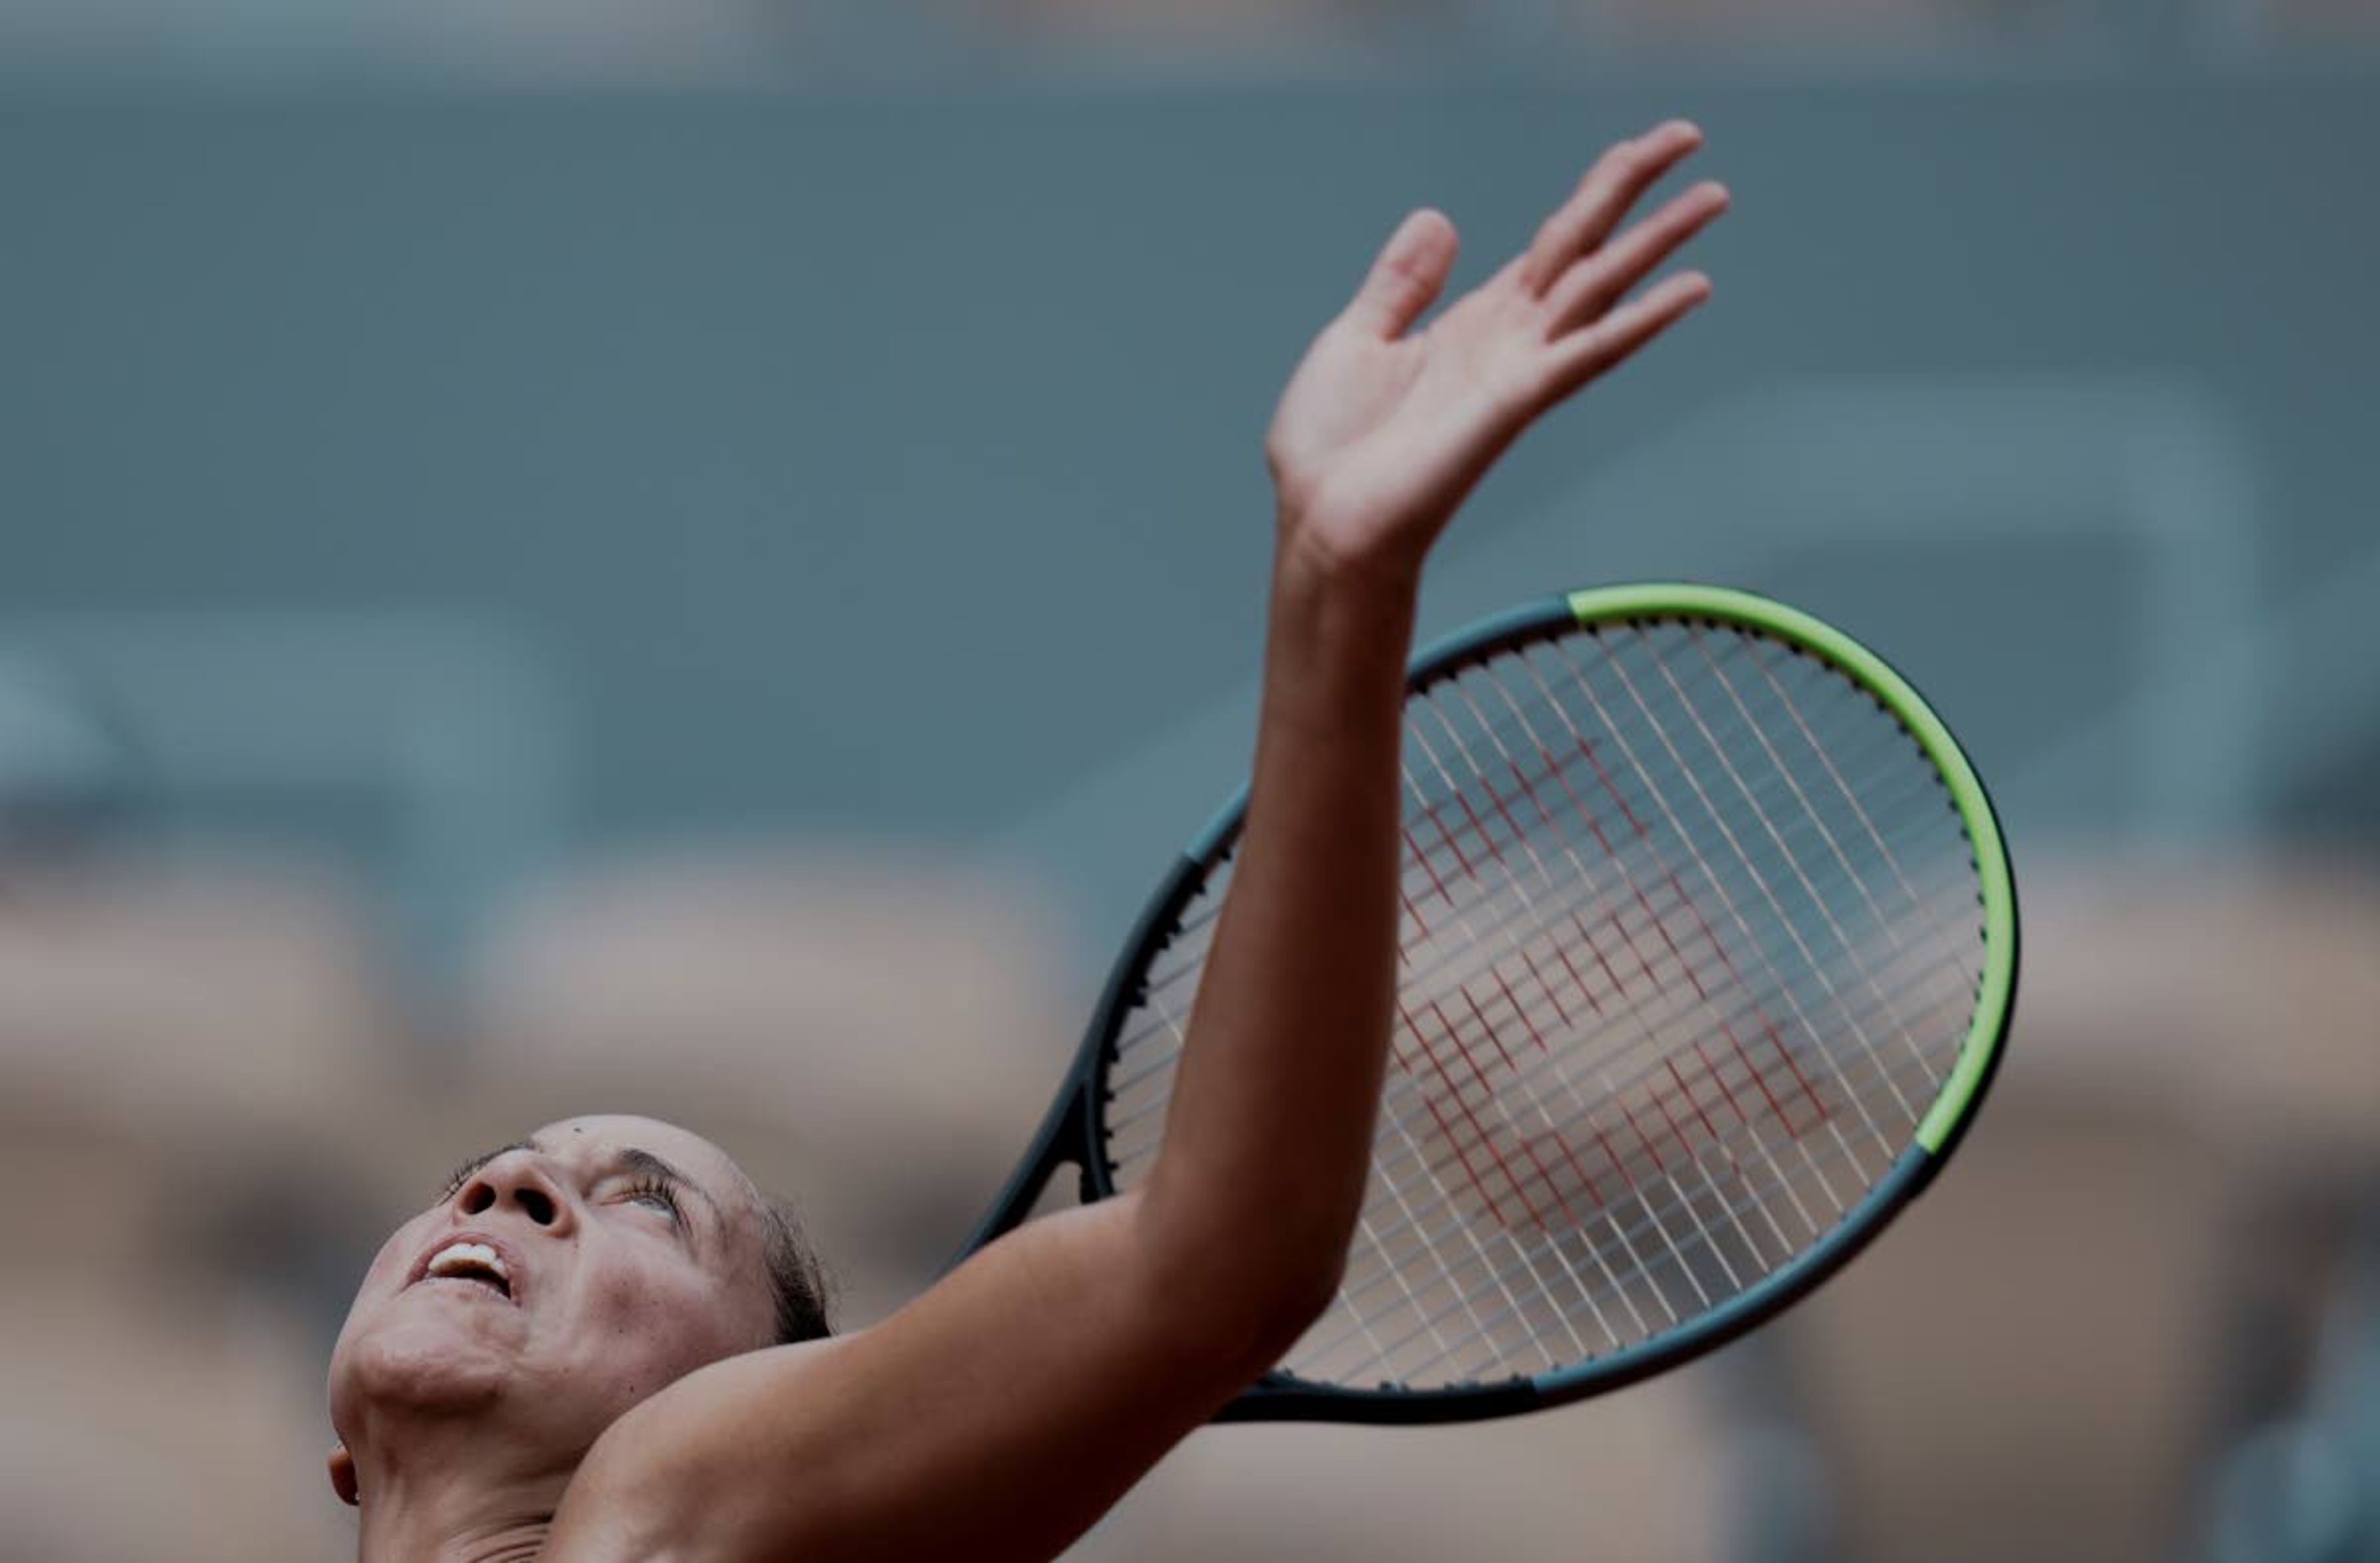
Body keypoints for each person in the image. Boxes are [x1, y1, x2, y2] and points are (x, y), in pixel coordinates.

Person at [327, 118, 1727, 1562]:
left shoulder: (665, 1506)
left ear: (772, 1408)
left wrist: (1339, 586)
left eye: (649, 1208)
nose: (508, 1189)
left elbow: (1223, 1263)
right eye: (481, 1173)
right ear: (336, 1457)